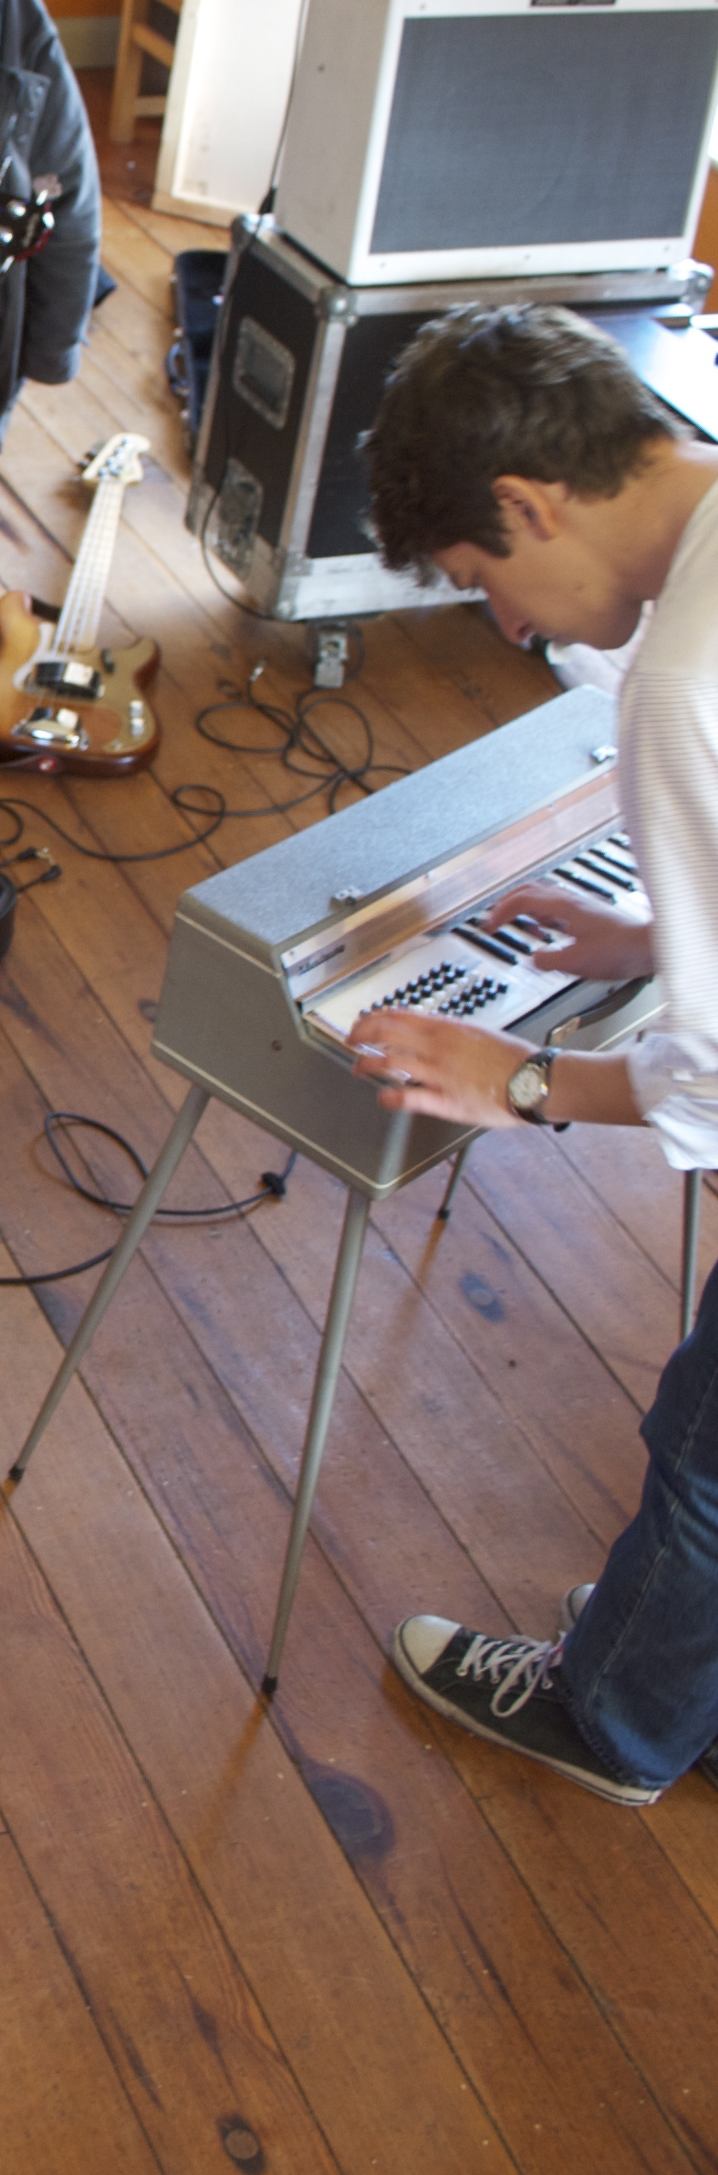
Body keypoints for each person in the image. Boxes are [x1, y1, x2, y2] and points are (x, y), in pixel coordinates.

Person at [349, 305, 718, 1807]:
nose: (509, 627)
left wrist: (516, 1081)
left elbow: (717, 1084)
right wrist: (660, 938)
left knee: (704, 1461)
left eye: (481, 579)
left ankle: (612, 1721)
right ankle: (676, 1667)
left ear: (528, 502)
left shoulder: (682, 681)